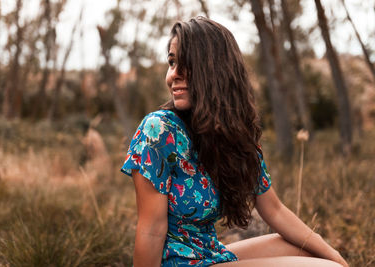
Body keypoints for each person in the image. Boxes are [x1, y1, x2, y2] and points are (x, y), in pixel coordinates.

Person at [121, 17, 348, 267]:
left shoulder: (234, 133)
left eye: (187, 64)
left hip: (209, 253)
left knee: (311, 252)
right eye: (172, 62)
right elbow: (151, 230)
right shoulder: (159, 130)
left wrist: (338, 256)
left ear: (216, 70)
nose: (173, 74)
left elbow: (274, 210)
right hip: (178, 262)